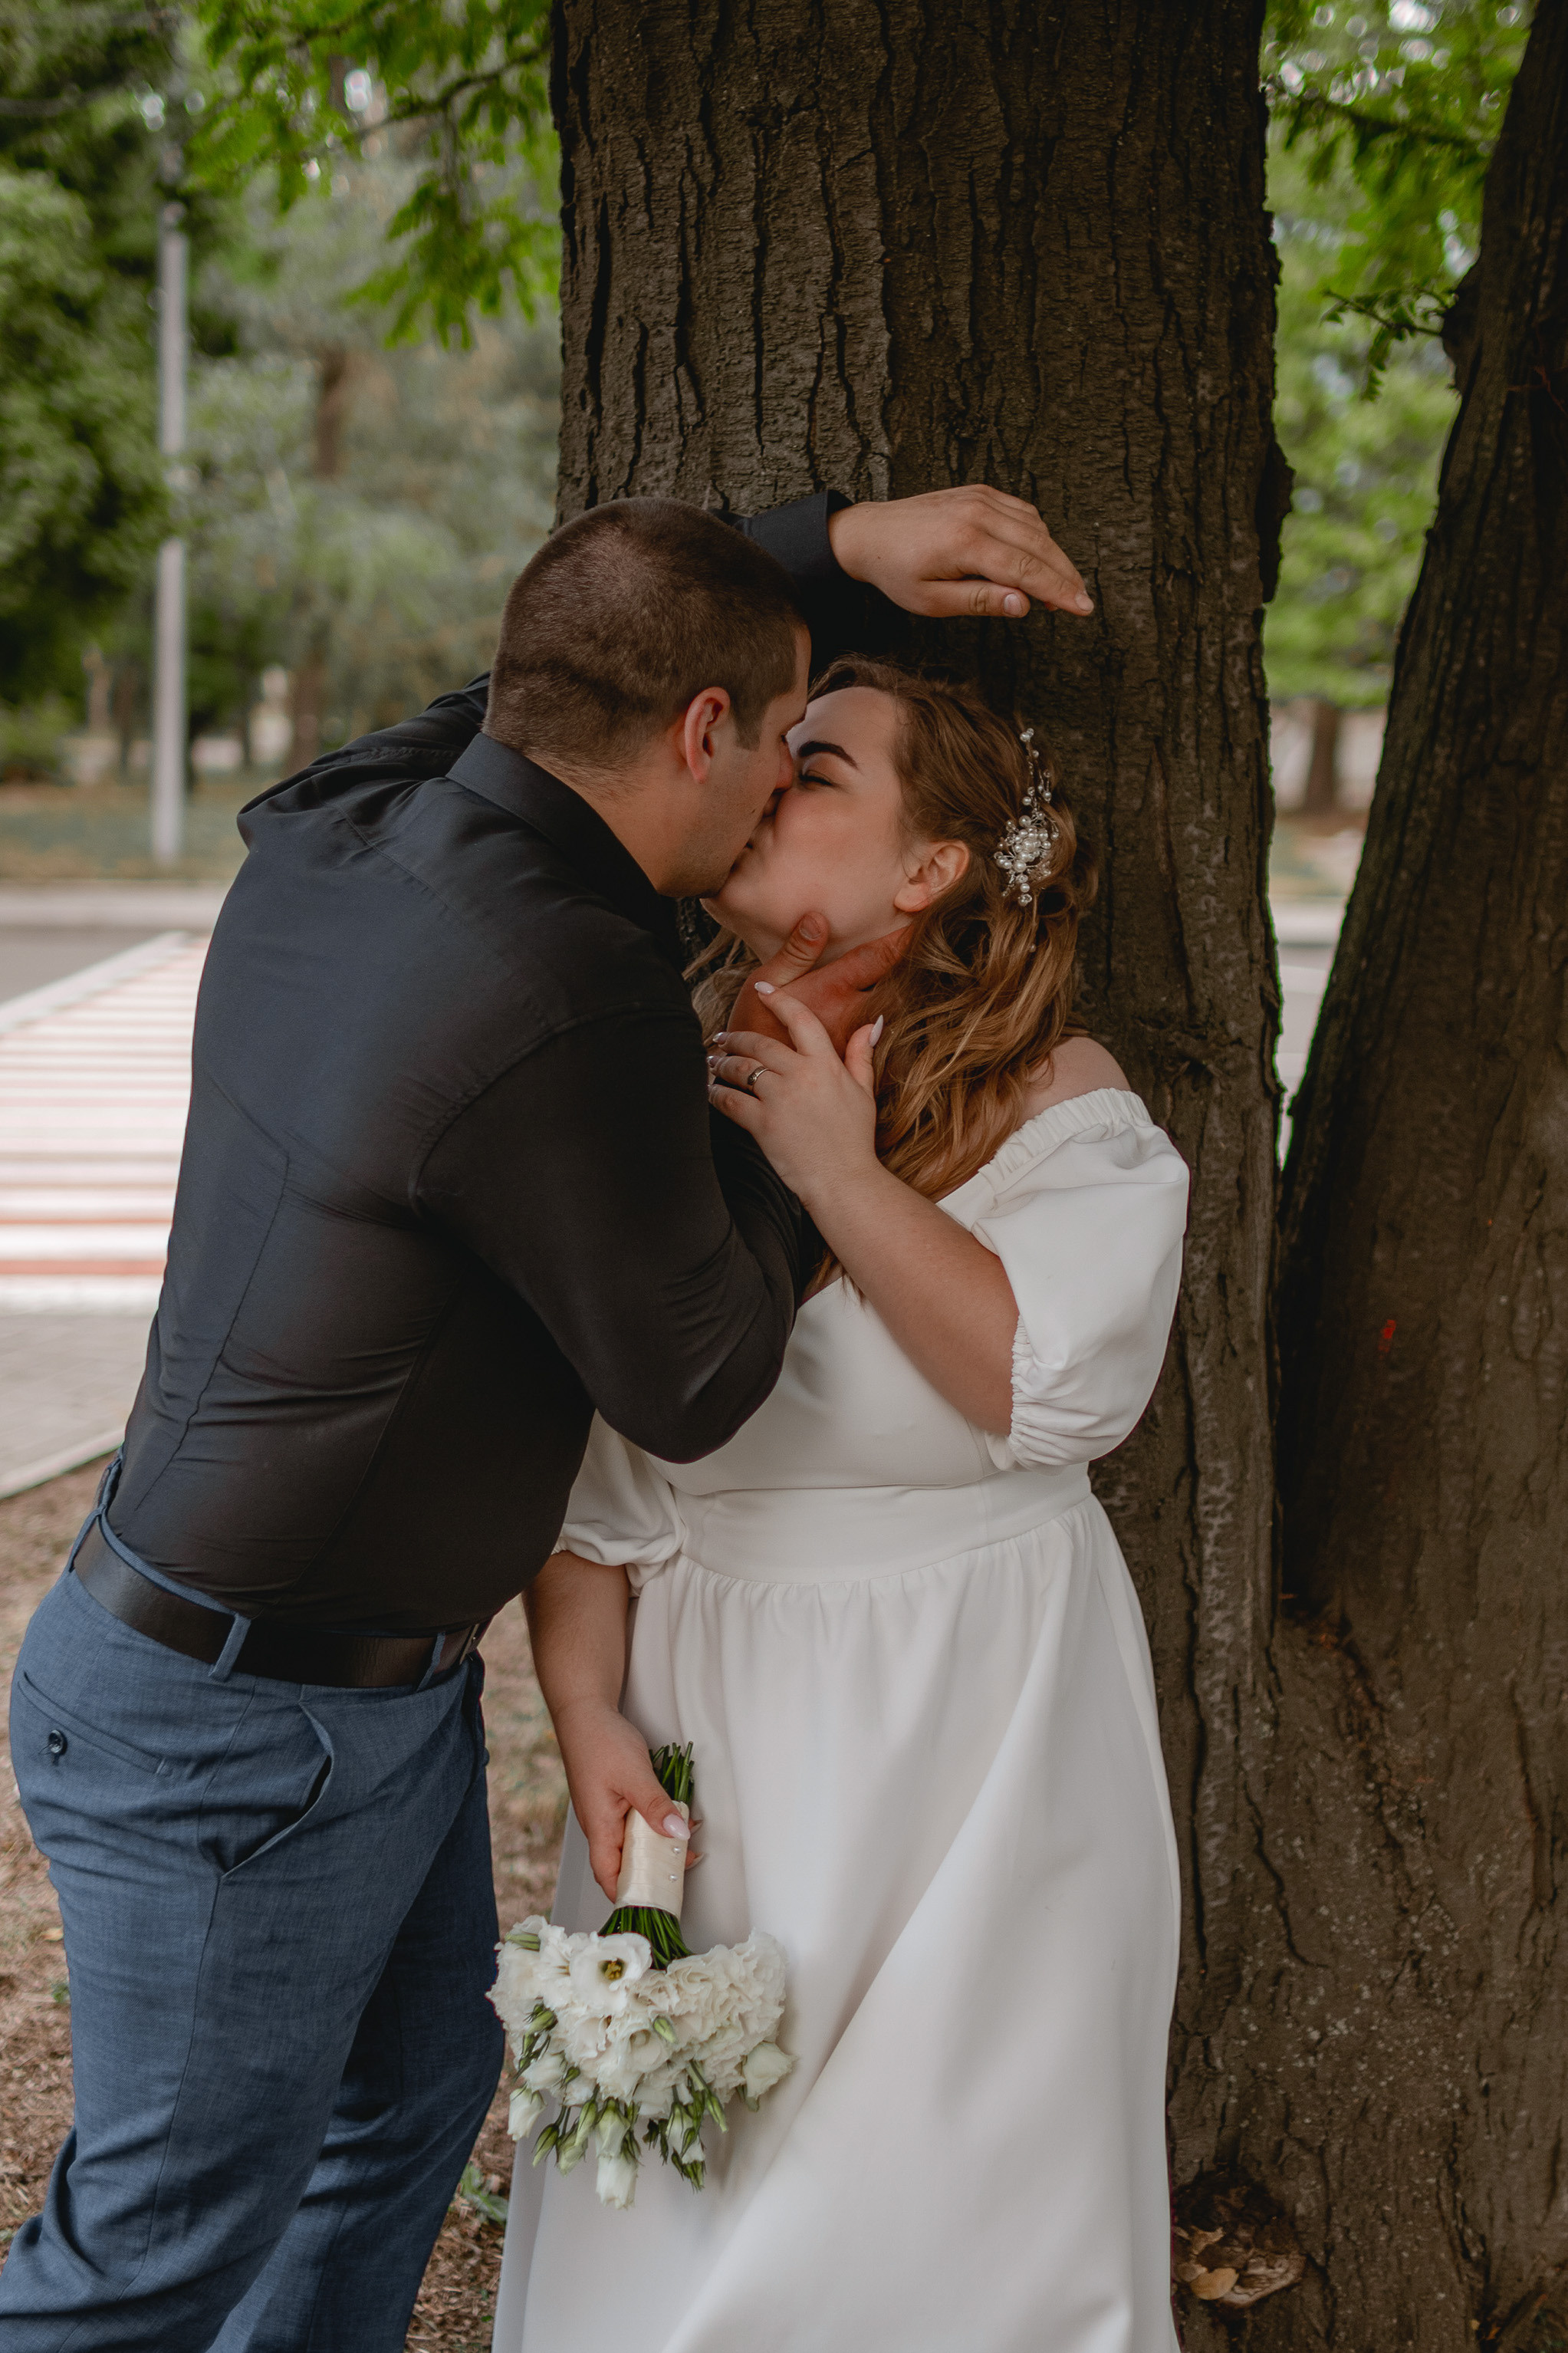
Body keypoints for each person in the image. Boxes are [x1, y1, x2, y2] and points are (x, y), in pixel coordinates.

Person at [0, 488, 1093, 2351]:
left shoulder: (349, 820)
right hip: (247, 1733)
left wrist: (833, 550)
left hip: (342, 1685)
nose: (781, 789)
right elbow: (700, 1376)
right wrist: (803, 1073)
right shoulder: (575, 984)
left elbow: (552, 662)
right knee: (154, 2253)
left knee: (408, 2102)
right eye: (782, 739)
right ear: (703, 736)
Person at [495, 658, 1189, 2352]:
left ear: (929, 869)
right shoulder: (645, 1060)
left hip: (978, 1730)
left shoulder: (1058, 1102)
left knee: (947, 2221)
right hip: (707, 1734)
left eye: (820, 768)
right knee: (685, 2203)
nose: (763, 776)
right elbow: (592, 1470)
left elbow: (1054, 1388)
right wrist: (584, 1708)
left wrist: (836, 1165)